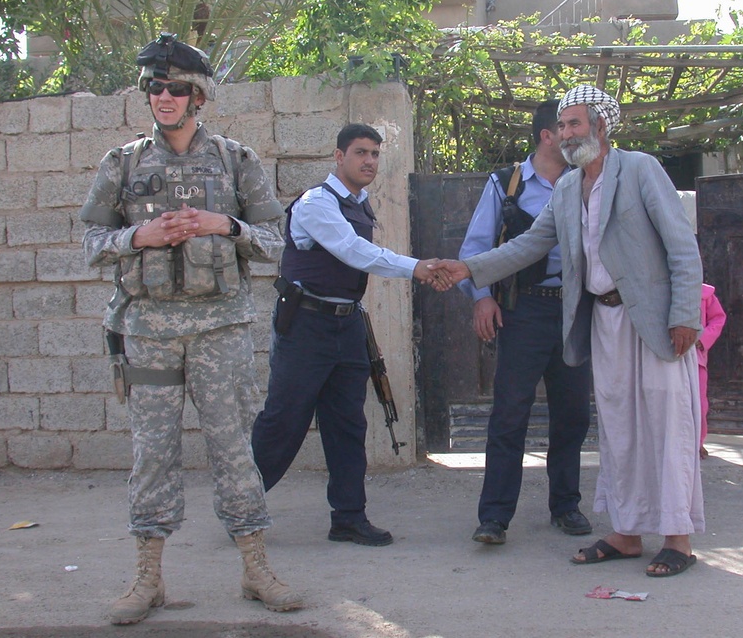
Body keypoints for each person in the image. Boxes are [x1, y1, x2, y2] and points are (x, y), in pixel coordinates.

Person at [431, 85, 705, 577]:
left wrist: (685, 314)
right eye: (561, 125)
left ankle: (678, 539)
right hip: (603, 321)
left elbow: (681, 245)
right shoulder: (567, 187)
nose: (566, 133)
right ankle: (625, 533)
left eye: (575, 123)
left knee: (665, 425)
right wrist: (468, 270)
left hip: (655, 320)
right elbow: (530, 245)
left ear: (601, 125)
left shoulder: (641, 168)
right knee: (619, 428)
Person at [80, 33, 302, 625]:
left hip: (220, 329)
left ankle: (256, 568)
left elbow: (280, 240)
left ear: (198, 97)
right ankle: (148, 577)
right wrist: (138, 237)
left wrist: (224, 224)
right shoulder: (122, 163)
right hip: (148, 329)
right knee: (152, 454)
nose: (164, 96)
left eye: (177, 88)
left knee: (234, 450)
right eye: (155, 86)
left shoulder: (236, 160)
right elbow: (90, 243)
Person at [251, 123, 440, 548]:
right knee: (284, 421)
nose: (369, 161)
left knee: (347, 423)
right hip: (305, 326)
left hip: (348, 323)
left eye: (374, 153)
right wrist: (415, 267)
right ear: (339, 157)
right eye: (360, 153)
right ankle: (239, 506)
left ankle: (349, 518)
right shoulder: (317, 202)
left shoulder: (361, 204)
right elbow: (352, 251)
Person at [459, 99, 593, 546]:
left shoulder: (585, 180)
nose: (575, 136)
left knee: (572, 413)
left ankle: (566, 506)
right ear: (547, 136)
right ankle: (494, 517)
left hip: (576, 309)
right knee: (509, 413)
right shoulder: (506, 184)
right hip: (523, 310)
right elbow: (476, 247)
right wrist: (481, 298)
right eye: (566, 127)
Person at [697, 283, 727, 460]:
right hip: (668, 356)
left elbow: (718, 318)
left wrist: (703, 339)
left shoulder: (705, 293)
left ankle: (698, 442)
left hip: (695, 357)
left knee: (699, 404)